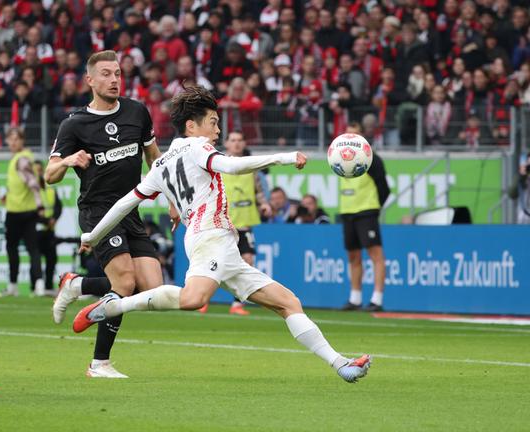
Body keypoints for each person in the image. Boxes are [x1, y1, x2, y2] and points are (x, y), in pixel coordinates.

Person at [72, 86, 371, 383]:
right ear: (192, 126)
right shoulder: (197, 146)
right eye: (213, 122)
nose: (217, 130)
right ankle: (115, 305)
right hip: (209, 237)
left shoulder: (160, 164)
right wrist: (284, 157)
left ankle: (340, 364)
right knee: (193, 298)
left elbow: (126, 202)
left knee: (288, 302)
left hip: (221, 245)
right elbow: (231, 165)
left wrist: (92, 236)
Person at [45, 50, 175, 378]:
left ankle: (77, 285)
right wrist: (67, 161)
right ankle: (99, 363)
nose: (114, 79)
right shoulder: (74, 124)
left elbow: (154, 159)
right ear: (90, 80)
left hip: (129, 209)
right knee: (124, 282)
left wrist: (172, 198)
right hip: (99, 212)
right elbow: (49, 174)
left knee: (151, 287)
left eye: (117, 73)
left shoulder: (136, 112)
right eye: (105, 74)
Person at [201, 131, 272, 315]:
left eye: (240, 140)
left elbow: (258, 190)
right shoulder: (218, 164)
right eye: (233, 140)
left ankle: (237, 304)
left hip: (245, 223)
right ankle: (202, 298)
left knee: (247, 261)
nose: (237, 143)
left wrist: (264, 203)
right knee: (216, 263)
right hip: (223, 224)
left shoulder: (250, 166)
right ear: (227, 143)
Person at [339, 124, 390, 312]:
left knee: (375, 254)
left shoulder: (372, 159)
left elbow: (384, 188)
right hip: (347, 211)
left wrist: (373, 208)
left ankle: (377, 299)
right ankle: (355, 297)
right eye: (347, 135)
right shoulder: (339, 157)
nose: (350, 139)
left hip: (366, 211)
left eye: (354, 134)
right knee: (353, 255)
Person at [0, 127, 44, 297]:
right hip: (21, 210)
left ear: (22, 141)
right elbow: (23, 184)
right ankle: (36, 285)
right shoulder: (21, 158)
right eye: (10, 139)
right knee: (31, 249)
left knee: (19, 249)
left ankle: (14, 285)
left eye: (16, 139)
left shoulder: (21, 159)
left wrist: (39, 204)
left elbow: (33, 183)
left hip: (20, 213)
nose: (13, 142)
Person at [34, 160, 63, 294]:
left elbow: (58, 206)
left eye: (40, 170)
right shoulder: (30, 190)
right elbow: (31, 211)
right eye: (35, 170)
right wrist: (46, 221)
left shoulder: (50, 188)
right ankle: (35, 286)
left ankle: (48, 286)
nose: (38, 173)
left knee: (52, 258)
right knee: (35, 258)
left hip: (50, 230)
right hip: (36, 229)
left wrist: (54, 219)